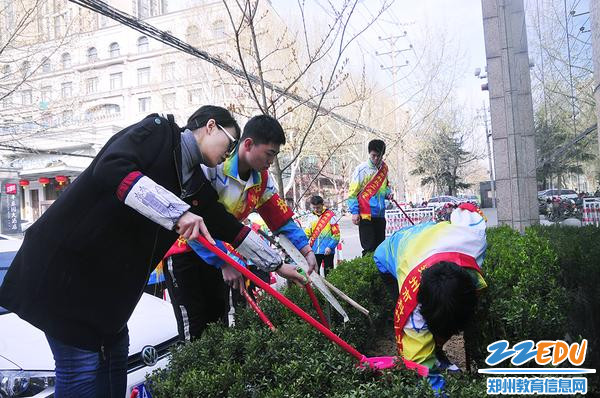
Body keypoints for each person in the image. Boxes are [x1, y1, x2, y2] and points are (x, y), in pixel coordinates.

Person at [0, 105, 303, 398]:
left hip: (106, 292)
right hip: (67, 274)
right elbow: (112, 168)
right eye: (231, 139)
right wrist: (176, 213)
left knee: (114, 358)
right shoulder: (156, 134)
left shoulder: (193, 182)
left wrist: (277, 264)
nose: (232, 149)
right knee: (79, 368)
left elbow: (227, 227)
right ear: (210, 126)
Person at [163, 114, 317, 341]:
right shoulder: (212, 164)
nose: (271, 162)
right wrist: (223, 261)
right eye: (269, 154)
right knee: (195, 330)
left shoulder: (261, 180)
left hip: (221, 255)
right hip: (186, 250)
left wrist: (306, 250)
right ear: (248, 144)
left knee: (219, 325)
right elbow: (196, 217)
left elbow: (280, 218)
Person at [373, 203, 487, 394]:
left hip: (428, 235)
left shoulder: (474, 237)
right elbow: (419, 362)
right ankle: (435, 352)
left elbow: (468, 211)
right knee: (419, 339)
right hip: (390, 253)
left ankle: (438, 350)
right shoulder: (413, 305)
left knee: (442, 322)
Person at [347, 139, 392, 256]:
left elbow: (385, 187)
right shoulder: (361, 169)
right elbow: (352, 193)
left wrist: (388, 193)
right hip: (365, 214)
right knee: (369, 248)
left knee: (380, 248)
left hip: (380, 215)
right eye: (373, 155)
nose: (376, 159)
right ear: (369, 154)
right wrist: (354, 212)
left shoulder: (384, 170)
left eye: (379, 156)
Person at [304, 195, 340, 276]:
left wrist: (330, 246)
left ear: (322, 204)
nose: (316, 210)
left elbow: (336, 234)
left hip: (328, 250)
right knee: (315, 273)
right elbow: (307, 234)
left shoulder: (331, 216)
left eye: (318, 207)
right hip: (315, 250)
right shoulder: (311, 217)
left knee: (329, 273)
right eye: (314, 208)